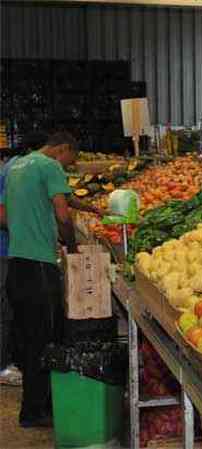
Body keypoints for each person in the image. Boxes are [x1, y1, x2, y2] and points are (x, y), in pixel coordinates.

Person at [0, 132, 101, 427]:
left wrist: (89, 207)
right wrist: (71, 248)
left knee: (27, 338)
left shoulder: (16, 166)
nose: (70, 167)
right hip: (40, 267)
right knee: (46, 339)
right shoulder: (50, 166)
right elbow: (62, 213)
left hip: (17, 263)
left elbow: (6, 213)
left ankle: (33, 407)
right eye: (71, 161)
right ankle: (35, 411)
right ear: (62, 150)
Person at [0, 149, 22, 387]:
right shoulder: (12, 172)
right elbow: (2, 215)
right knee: (4, 311)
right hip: (3, 251)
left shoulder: (10, 169)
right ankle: (2, 367)